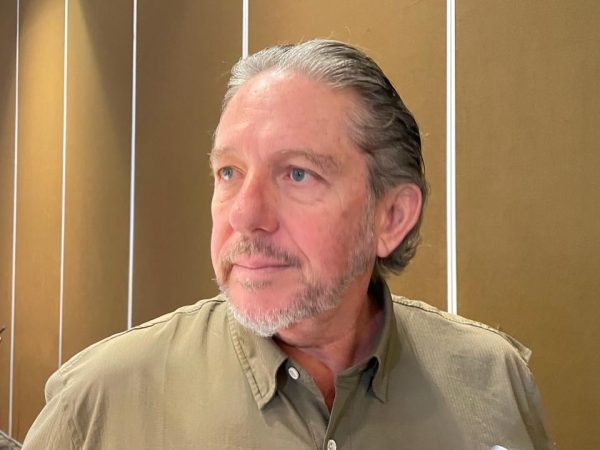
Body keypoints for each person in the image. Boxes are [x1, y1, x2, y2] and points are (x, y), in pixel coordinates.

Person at [23, 39, 553, 450]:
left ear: (391, 216)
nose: (244, 215)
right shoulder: (99, 404)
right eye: (229, 172)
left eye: (297, 174)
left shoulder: (493, 383)